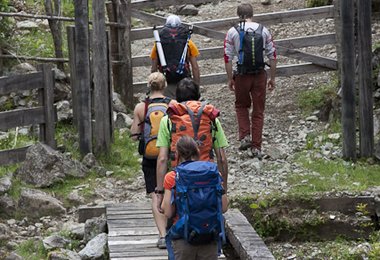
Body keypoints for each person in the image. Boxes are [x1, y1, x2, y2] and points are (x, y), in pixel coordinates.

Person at [155, 78, 229, 214]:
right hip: (208, 178)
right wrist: (223, 188)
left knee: (172, 213)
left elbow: (162, 159)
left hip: (181, 178)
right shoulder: (211, 118)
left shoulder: (168, 120)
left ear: (176, 98)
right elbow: (222, 159)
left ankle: (169, 233)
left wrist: (160, 192)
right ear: (198, 97)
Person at [162, 135, 228, 260]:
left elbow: (169, 212)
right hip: (209, 234)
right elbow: (224, 207)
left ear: (177, 154)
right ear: (198, 151)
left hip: (183, 237)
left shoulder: (172, 177)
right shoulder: (213, 173)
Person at [224, 3, 277, 159]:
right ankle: (256, 147)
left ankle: (245, 136)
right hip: (260, 74)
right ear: (252, 14)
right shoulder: (264, 30)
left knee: (241, 105)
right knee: (259, 111)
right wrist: (272, 78)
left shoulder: (232, 31)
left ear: (238, 14)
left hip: (241, 74)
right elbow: (272, 55)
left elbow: (227, 57)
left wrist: (229, 79)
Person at [130, 72, 176, 249]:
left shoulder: (141, 107)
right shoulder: (173, 105)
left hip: (150, 156)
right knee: (171, 190)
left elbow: (134, 136)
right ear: (164, 86)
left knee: (155, 194)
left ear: (149, 86)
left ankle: (163, 236)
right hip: (170, 155)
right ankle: (174, 229)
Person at [150, 14, 200, 99]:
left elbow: (154, 68)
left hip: (166, 82)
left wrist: (154, 89)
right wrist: (196, 86)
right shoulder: (188, 43)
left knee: (169, 108)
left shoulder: (158, 44)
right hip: (185, 83)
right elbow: (195, 67)